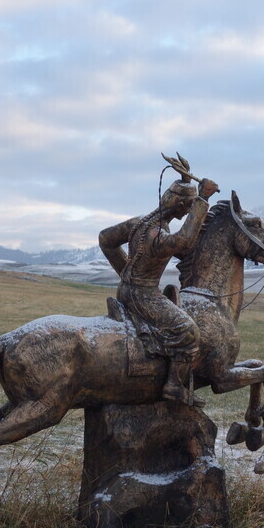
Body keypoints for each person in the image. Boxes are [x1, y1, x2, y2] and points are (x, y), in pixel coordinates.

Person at [99, 169, 219, 405]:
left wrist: (125, 272)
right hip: (143, 296)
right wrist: (203, 201)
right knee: (189, 331)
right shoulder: (158, 234)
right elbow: (183, 241)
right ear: (181, 205)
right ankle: (174, 386)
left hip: (127, 290)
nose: (187, 212)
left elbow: (105, 238)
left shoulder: (138, 224)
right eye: (188, 206)